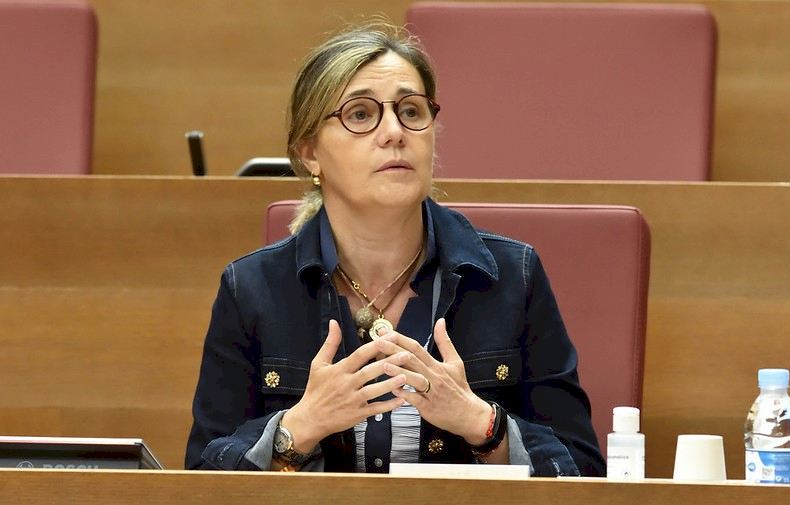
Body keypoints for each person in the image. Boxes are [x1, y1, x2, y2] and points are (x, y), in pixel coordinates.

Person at [185, 20, 604, 476]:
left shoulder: (510, 276)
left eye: (411, 111)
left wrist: (481, 424)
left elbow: (583, 474)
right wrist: (298, 429)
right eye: (360, 114)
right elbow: (203, 482)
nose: (394, 132)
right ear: (309, 152)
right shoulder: (252, 289)